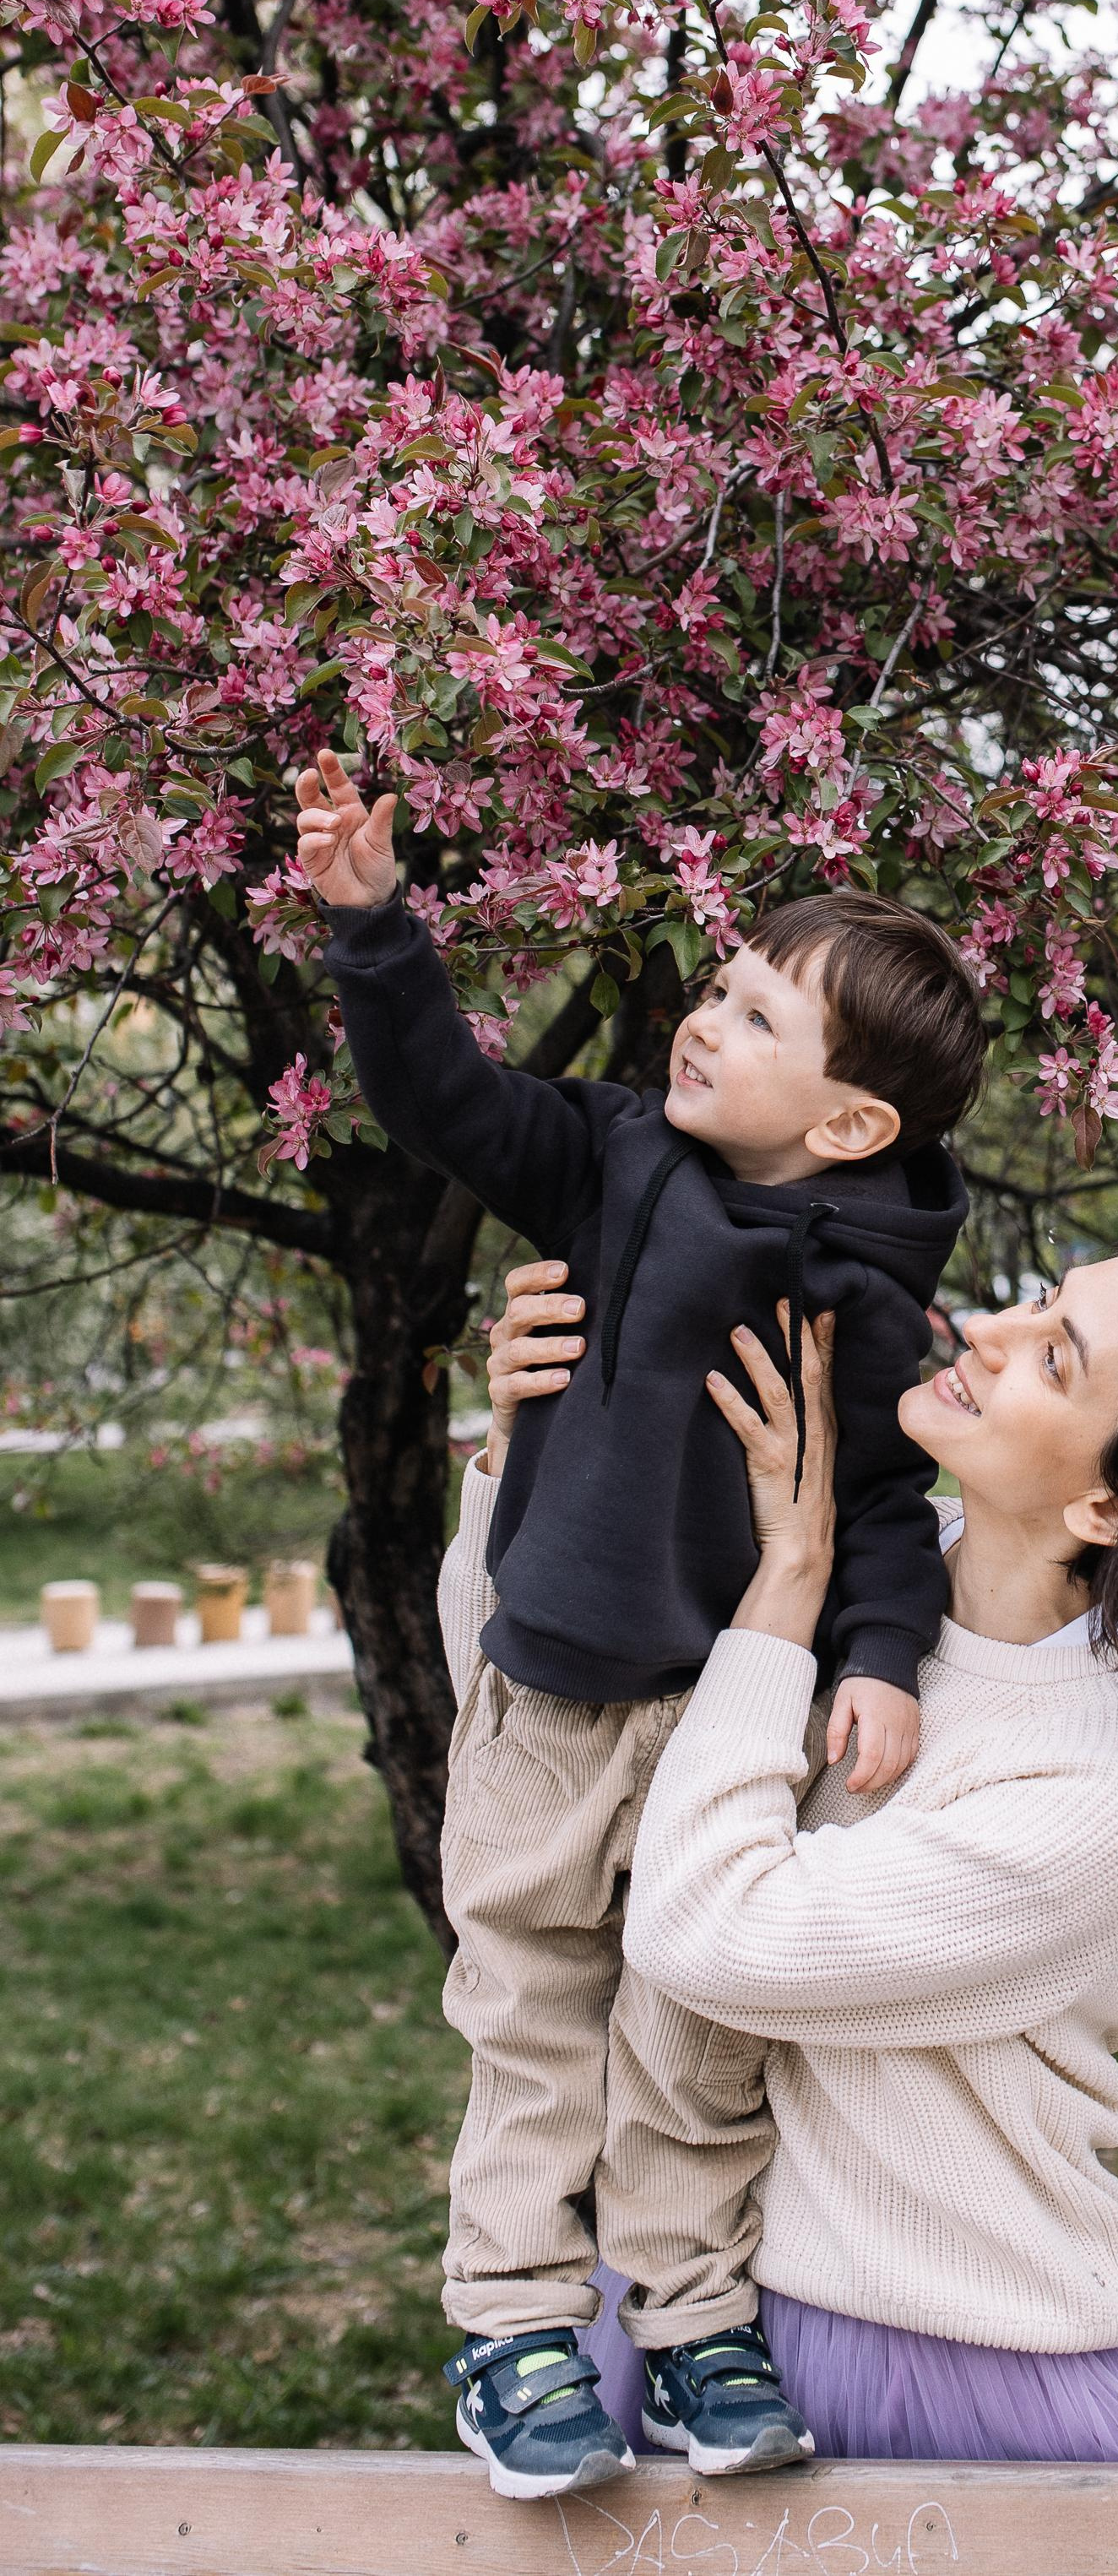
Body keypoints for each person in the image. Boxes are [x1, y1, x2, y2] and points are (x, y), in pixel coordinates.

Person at [294, 746, 987, 2499]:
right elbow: (446, 1098)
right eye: (723, 983)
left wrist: (885, 1663)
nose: (704, 1019)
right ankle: (515, 2321)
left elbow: (891, 1511)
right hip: (545, 1694)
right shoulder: (614, 1159)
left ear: (845, 1125)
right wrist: (375, 926)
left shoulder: (868, 1296)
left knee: (695, 2027)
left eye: (758, 1017)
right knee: (530, 2009)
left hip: (723, 1720)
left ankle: (687, 2321)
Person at [456, 1215, 1118, 2465]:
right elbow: (532, 1751)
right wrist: (523, 1460)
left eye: (1053, 1358)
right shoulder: (874, 1569)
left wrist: (782, 1590)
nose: (987, 1332)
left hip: (953, 2355)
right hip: (691, 2326)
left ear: (1105, 1502)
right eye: (1035, 1301)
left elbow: (704, 1932)